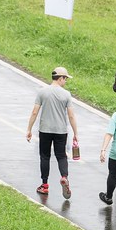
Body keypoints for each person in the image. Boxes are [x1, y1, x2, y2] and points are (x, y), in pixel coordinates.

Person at [26, 67, 79, 199]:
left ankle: (44, 185)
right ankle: (64, 177)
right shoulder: (66, 94)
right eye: (65, 79)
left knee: (45, 156)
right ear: (60, 78)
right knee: (61, 156)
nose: (66, 81)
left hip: (45, 130)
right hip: (61, 131)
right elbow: (71, 116)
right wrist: (75, 133)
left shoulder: (42, 92)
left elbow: (34, 112)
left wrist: (29, 129)